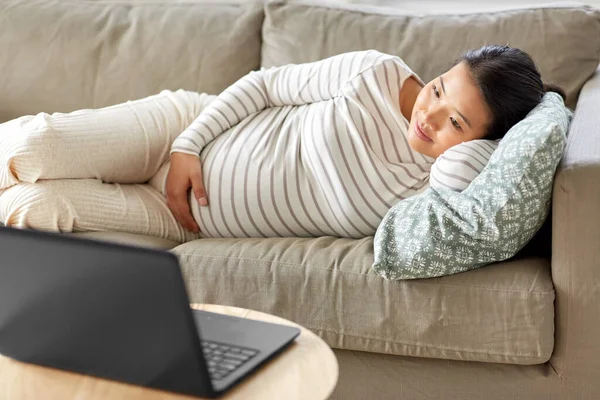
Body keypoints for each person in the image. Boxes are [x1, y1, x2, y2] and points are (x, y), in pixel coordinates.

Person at [0, 45, 566, 242]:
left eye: (456, 125)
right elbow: (266, 83)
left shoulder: (433, 188)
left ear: (482, 145)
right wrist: (189, 145)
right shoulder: (376, 75)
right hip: (181, 134)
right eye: (440, 88)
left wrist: (528, 118)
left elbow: (472, 171)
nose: (429, 115)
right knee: (35, 147)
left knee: (33, 209)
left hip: (180, 218)